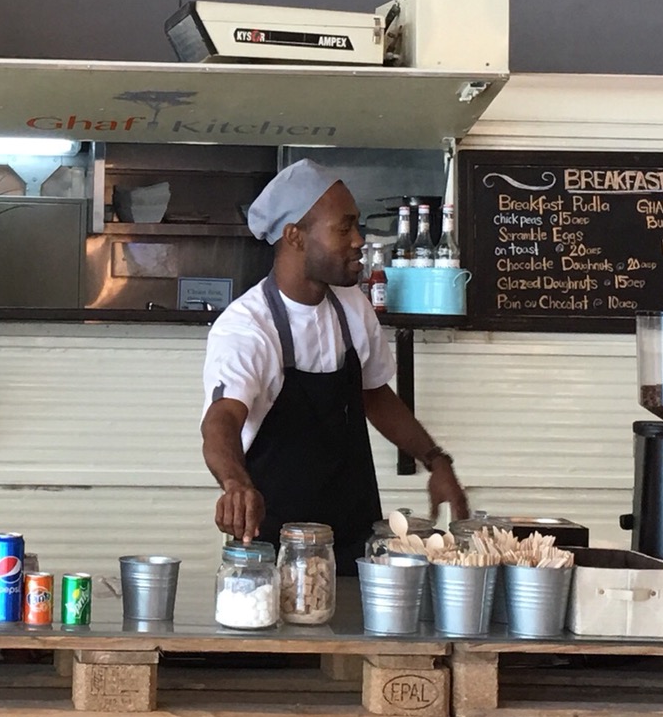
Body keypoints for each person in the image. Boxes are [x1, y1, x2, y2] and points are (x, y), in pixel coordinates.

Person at [200, 160, 467, 561]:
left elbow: (375, 395)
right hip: (277, 548)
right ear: (295, 236)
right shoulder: (247, 327)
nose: (360, 239)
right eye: (344, 228)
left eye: (356, 225)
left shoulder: (351, 306)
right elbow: (221, 420)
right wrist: (236, 485)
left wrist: (435, 459)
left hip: (354, 536)